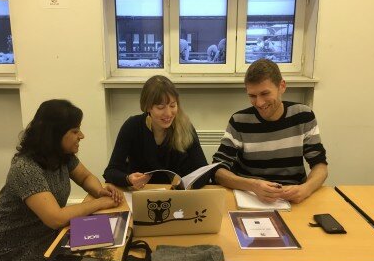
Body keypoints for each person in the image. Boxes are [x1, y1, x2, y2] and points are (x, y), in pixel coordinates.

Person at [0, 99, 123, 261]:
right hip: (11, 254)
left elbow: (85, 177)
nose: (81, 135)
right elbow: (55, 218)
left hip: (46, 237)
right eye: (74, 131)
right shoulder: (25, 168)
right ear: (54, 135)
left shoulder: (62, 156)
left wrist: (99, 191)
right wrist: (99, 203)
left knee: (110, 248)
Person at [213, 59, 328, 204]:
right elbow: (218, 171)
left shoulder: (303, 116)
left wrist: (306, 189)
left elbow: (320, 166)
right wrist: (253, 185)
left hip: (292, 198)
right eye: (252, 96)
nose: (259, 103)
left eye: (265, 93)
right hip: (250, 197)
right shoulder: (239, 121)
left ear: (282, 86)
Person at [103, 75, 209, 190]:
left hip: (178, 196)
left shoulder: (185, 126)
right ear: (148, 107)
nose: (168, 113)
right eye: (160, 107)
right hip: (142, 195)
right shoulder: (132, 126)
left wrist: (186, 186)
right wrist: (128, 179)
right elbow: (111, 172)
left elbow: (203, 171)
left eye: (173, 105)